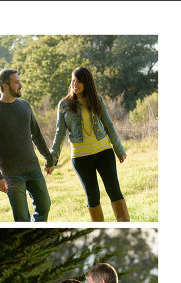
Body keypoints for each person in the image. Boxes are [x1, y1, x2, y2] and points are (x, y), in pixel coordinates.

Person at [50, 67, 129, 222]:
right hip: (81, 157)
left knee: (114, 190)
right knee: (92, 196)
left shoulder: (96, 99)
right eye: (73, 80)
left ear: (87, 83)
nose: (75, 84)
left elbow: (108, 125)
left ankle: (124, 224)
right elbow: (60, 134)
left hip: (104, 152)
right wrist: (52, 160)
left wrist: (119, 150)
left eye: (79, 81)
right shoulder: (64, 105)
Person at [0, 69, 56, 222]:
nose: (20, 85)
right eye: (16, 82)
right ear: (5, 86)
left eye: (19, 81)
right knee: (21, 218)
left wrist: (48, 158)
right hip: (11, 174)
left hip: (33, 168)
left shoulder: (25, 106)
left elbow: (36, 134)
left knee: (45, 206)